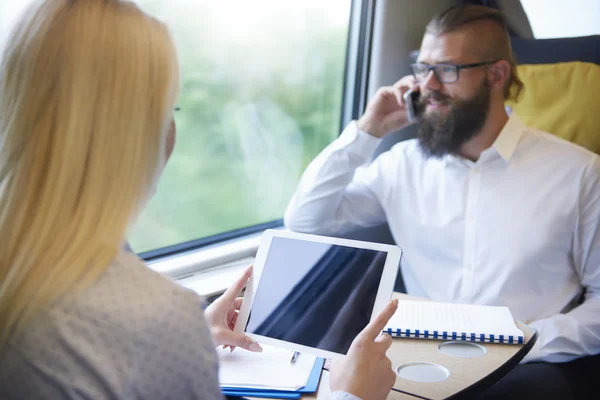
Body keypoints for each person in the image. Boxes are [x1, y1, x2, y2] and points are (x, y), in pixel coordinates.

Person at [0, 1, 397, 399]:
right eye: (167, 109)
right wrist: (353, 394)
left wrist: (189, 345)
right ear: (143, 134)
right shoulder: (153, 318)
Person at [284, 4, 600, 399]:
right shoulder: (400, 167)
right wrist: (366, 131)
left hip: (528, 367)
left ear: (496, 74)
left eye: (447, 70)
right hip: (417, 361)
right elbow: (305, 221)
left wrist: (527, 340)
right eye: (422, 69)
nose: (427, 85)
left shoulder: (580, 173)